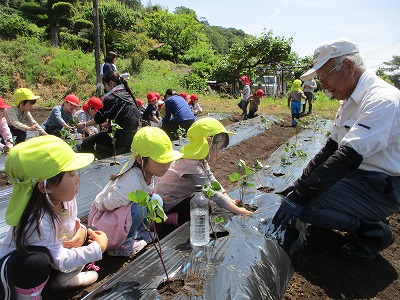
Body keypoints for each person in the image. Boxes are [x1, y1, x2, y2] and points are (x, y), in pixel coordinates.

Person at [271, 39, 400, 262]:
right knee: (311, 188)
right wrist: (302, 183)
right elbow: (331, 148)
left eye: (324, 77)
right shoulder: (349, 100)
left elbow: (348, 156)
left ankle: (373, 230)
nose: (324, 86)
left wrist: (301, 196)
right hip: (360, 175)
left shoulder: (382, 101)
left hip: (383, 184)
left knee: (307, 206)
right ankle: (357, 209)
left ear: (348, 66)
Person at [0, 135, 108, 299]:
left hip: (53, 255)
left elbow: (67, 230)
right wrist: (97, 249)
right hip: (19, 272)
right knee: (35, 263)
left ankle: (60, 281)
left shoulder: (65, 201)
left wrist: (80, 234)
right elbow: (59, 260)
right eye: (71, 174)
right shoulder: (37, 221)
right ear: (46, 186)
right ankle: (29, 295)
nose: (77, 178)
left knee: (91, 232)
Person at [88, 127, 183, 256]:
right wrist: (104, 209)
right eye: (161, 161)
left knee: (155, 200)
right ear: (140, 159)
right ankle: (125, 242)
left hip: (123, 213)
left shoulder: (148, 172)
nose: (166, 166)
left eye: (168, 161)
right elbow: (108, 204)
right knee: (141, 206)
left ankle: (139, 232)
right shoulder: (131, 182)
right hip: (106, 220)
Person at [155, 117, 253, 229]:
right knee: (204, 207)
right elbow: (211, 191)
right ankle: (169, 218)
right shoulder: (191, 165)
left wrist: (230, 200)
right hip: (169, 203)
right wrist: (238, 211)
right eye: (220, 148)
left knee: (208, 203)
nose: (221, 153)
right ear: (208, 142)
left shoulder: (199, 159)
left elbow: (212, 180)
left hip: (182, 197)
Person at [76, 71, 140, 159]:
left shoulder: (112, 98)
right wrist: (109, 123)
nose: (105, 88)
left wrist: (84, 124)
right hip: (131, 137)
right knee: (101, 135)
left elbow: (99, 119)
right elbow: (125, 116)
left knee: (85, 143)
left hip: (119, 138)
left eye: (105, 85)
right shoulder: (128, 95)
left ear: (111, 83)